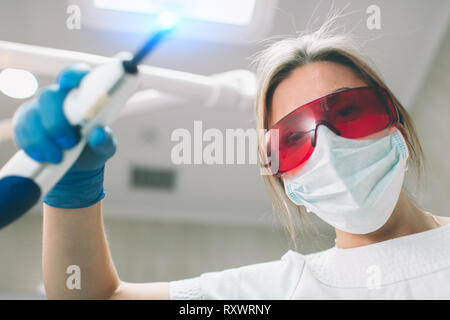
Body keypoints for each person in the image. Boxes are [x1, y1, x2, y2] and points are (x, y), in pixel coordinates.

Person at [12, 18, 450, 300]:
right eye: (294, 139)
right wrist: (71, 187)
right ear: (285, 180)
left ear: (398, 123)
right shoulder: (274, 294)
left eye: (349, 111)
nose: (330, 148)